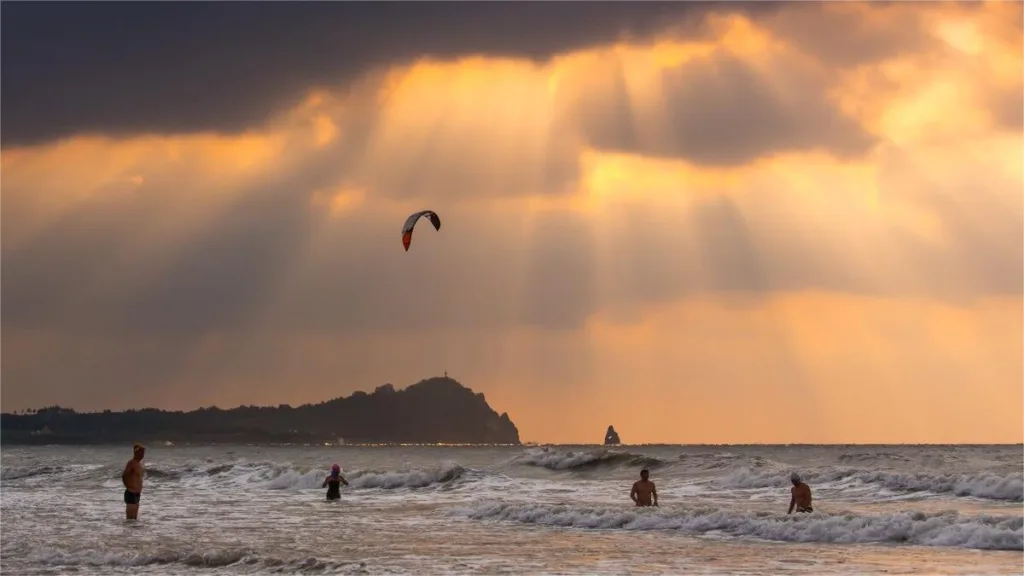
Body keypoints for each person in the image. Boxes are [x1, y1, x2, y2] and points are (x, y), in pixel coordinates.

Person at [122, 443, 145, 520]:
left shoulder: (139, 464)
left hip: (137, 494)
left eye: (143, 453)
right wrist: (128, 485)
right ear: (136, 453)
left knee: (134, 519)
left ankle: (134, 532)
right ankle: (127, 532)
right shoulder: (131, 463)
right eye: (141, 453)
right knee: (130, 519)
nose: (142, 455)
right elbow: (124, 475)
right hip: (131, 493)